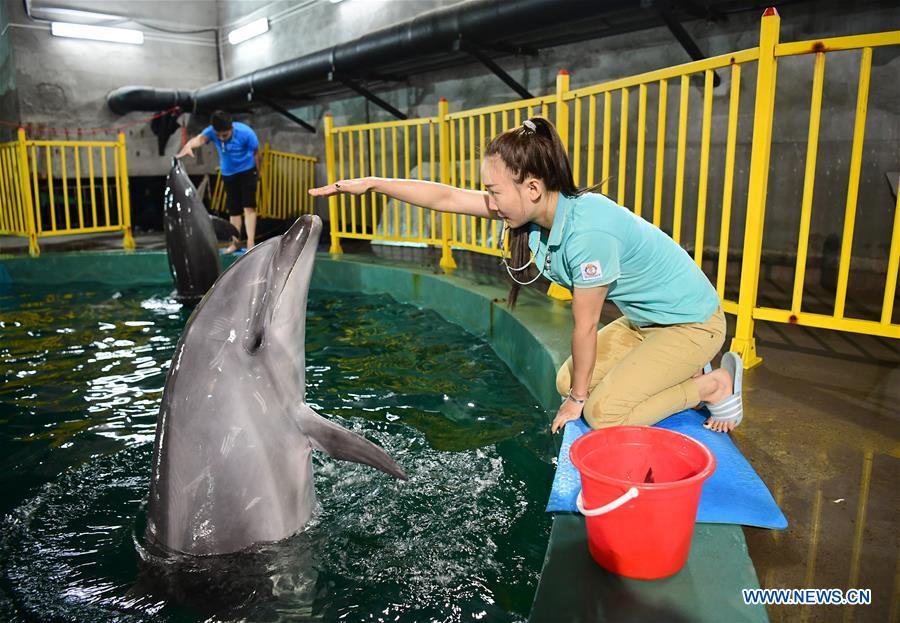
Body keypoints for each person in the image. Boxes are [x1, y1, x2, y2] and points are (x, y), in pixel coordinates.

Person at [309, 117, 744, 435]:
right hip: (643, 323)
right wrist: (371, 184)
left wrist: (577, 403)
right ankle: (673, 372)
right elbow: (444, 196)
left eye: (495, 191)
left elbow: (587, 325)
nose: (490, 201)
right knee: (566, 379)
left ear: (532, 187)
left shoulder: (587, 232)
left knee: (601, 413)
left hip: (692, 325)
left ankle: (710, 384)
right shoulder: (540, 212)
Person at [177, 110, 260, 253]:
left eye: (225, 135)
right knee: (234, 211)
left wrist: (259, 172)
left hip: (247, 172)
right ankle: (235, 243)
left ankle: (251, 244)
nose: (221, 138)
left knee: (249, 208)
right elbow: (199, 139)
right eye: (218, 135)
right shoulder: (210, 132)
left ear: (231, 128)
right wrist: (189, 145)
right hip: (228, 174)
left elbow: (256, 152)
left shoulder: (246, 133)